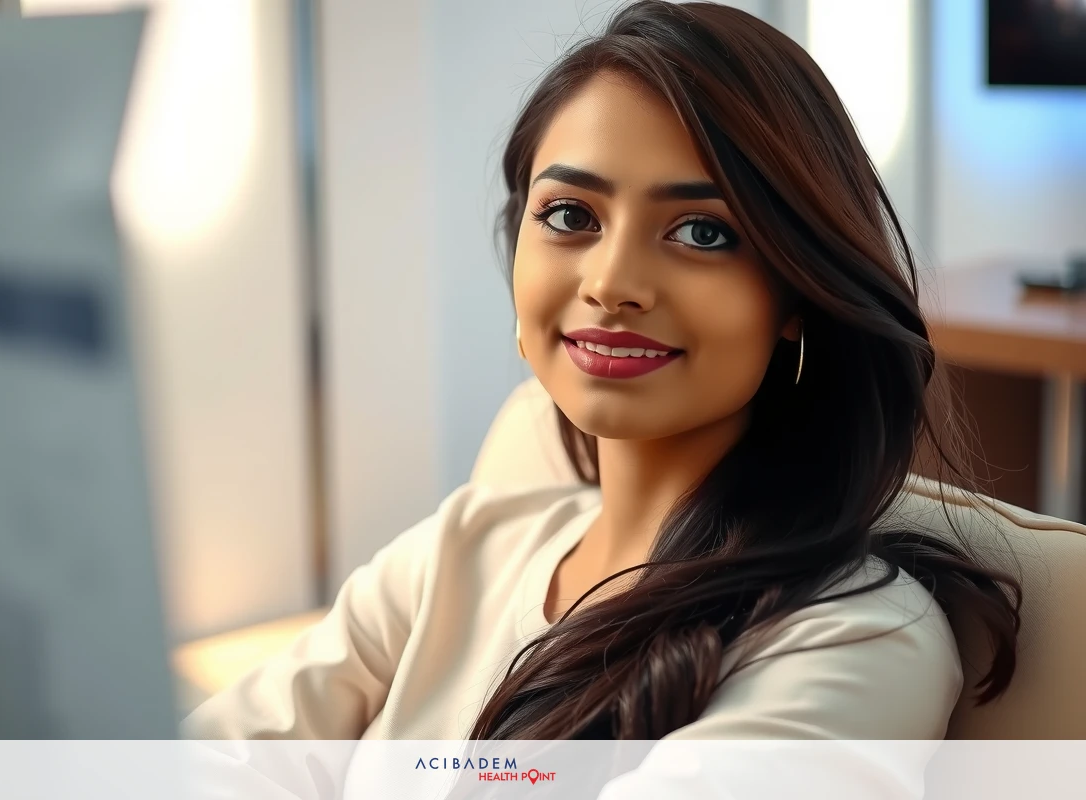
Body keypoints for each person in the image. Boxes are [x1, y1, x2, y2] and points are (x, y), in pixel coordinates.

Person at [183, 0, 1019, 747]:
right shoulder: (464, 549)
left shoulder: (853, 639)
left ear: (797, 293)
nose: (611, 283)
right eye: (570, 216)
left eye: (702, 232)